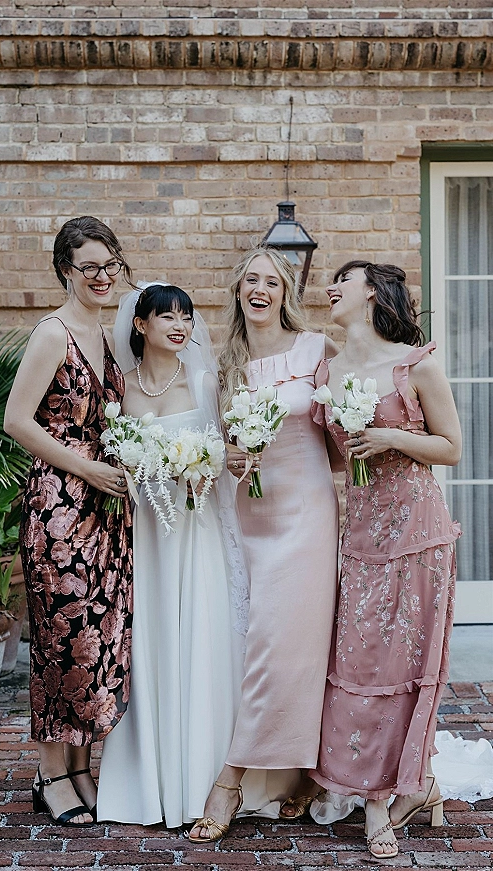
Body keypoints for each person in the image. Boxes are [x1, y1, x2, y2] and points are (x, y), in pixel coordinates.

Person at [308, 261, 461, 859]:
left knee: (403, 664)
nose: (330, 289)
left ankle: (383, 802)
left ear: (371, 292)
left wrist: (393, 436)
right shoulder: (329, 371)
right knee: (364, 663)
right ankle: (417, 785)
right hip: (360, 534)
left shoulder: (415, 363)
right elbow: (335, 459)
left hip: (418, 534)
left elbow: (450, 446)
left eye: (341, 280)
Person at [189, 246, 340, 842]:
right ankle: (306, 773)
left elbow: (336, 438)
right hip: (250, 516)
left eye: (271, 280)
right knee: (279, 645)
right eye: (250, 279)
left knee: (278, 644)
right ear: (237, 291)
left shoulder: (315, 350)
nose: (260, 289)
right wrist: (228, 459)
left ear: (286, 291)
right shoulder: (224, 365)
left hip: (307, 514)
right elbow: (219, 455)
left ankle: (230, 777)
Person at [96, 283, 250, 828]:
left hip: (197, 533)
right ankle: (148, 783)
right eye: (167, 316)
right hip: (146, 540)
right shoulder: (120, 391)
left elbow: (232, 457)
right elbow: (115, 459)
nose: (181, 325)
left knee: (200, 640)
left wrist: (212, 465)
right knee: (152, 641)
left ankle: (204, 782)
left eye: (186, 315)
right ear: (141, 325)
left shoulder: (206, 383)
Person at [4, 216, 133, 827]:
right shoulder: (53, 334)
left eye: (111, 265)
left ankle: (82, 767)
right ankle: (51, 774)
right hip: (60, 507)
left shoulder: (105, 336)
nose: (104, 276)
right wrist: (86, 468)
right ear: (65, 271)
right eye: (91, 267)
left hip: (105, 509)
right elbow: (18, 422)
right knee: (60, 640)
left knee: (94, 641)